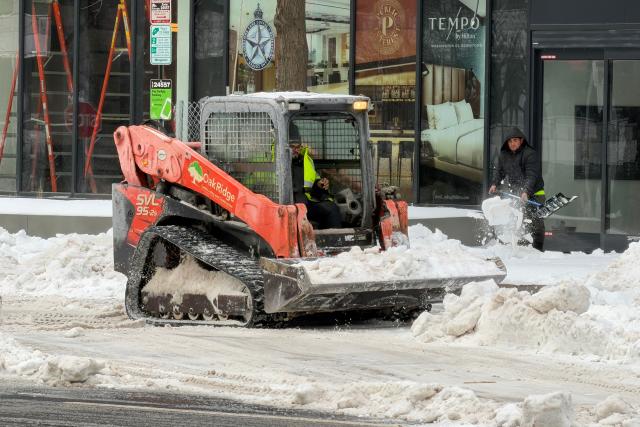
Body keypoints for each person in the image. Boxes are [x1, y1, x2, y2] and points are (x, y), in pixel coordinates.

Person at [489, 127, 546, 251]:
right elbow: (499, 171)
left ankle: (538, 249)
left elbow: (532, 175)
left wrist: (526, 191)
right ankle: (521, 249)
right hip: (517, 194)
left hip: (535, 193)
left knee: (536, 223)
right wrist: (494, 184)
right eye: (510, 141)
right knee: (519, 221)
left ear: (521, 141)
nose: (512, 144)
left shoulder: (529, 154)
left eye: (515, 140)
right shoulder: (504, 155)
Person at [289, 125, 342, 229]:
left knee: (331, 208)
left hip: (305, 206)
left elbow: (312, 187)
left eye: (298, 146)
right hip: (278, 207)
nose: (296, 150)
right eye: (292, 146)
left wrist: (319, 184)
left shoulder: (306, 161)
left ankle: (334, 241)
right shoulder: (271, 161)